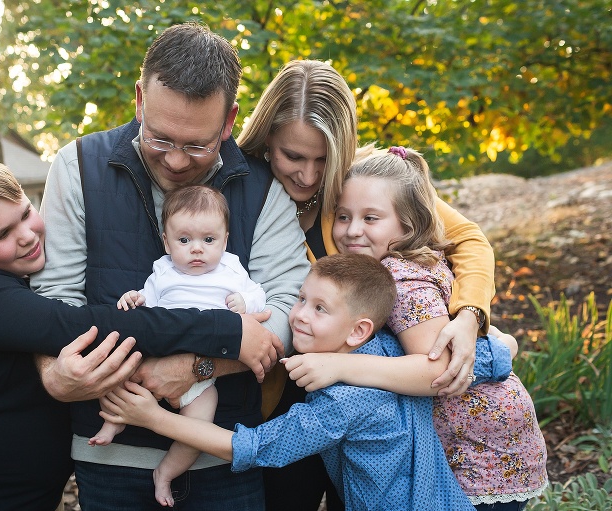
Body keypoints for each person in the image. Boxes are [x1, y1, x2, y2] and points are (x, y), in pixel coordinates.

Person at [29, 23, 308, 511]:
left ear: (229, 121)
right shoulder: (77, 165)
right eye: (159, 138)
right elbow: (54, 298)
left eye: (197, 145)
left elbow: (289, 308)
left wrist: (197, 367)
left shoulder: (264, 189)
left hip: (224, 453)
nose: (176, 160)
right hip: (108, 454)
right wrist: (54, 370)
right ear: (140, 99)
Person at [0, 153, 265, 511]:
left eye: (24, 213)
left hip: (32, 490)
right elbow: (81, 326)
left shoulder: (14, 276)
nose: (26, 235)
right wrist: (223, 327)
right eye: (2, 234)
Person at [236, 59, 499, 511]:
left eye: (324, 158)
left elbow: (468, 239)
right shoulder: (241, 191)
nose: (310, 175)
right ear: (265, 140)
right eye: (293, 156)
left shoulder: (364, 182)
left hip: (371, 394)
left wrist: (469, 315)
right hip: (282, 389)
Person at [98, 254, 514, 511]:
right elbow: (495, 355)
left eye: (319, 309)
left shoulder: (343, 403)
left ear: (357, 330)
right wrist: (501, 339)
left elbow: (255, 448)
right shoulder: (393, 350)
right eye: (300, 299)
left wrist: (152, 417)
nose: (298, 315)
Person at [325, 145, 548, 509]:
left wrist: (336, 366)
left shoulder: (398, 278)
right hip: (490, 444)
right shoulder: (419, 260)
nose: (352, 231)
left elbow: (436, 370)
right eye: (344, 216)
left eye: (370, 219)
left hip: (477, 455)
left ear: (407, 225)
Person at [90, 185, 266, 507]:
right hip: (158, 355)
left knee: (198, 425)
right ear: (167, 242)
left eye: (208, 240)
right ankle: (113, 423)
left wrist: (245, 301)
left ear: (225, 241)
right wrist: (135, 298)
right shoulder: (162, 271)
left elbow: (259, 296)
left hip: (203, 374)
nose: (197, 249)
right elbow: (148, 302)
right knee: (124, 373)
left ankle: (166, 473)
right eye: (184, 240)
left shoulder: (232, 269)